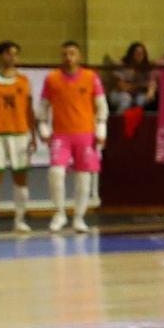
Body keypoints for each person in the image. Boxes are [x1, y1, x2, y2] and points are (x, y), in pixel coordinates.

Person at [40, 41, 106, 234]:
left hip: (85, 133)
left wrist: (101, 129)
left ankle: (79, 217)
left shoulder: (91, 77)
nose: (69, 58)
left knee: (84, 176)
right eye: (65, 54)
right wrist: (43, 127)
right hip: (61, 134)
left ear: (79, 56)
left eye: (73, 53)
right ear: (61, 57)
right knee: (56, 173)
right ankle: (60, 213)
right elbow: (43, 107)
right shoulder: (51, 79)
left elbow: (101, 105)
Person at [0, 40, 39, 234]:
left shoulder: (24, 80)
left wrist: (33, 135)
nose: (13, 57)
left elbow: (29, 109)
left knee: (21, 178)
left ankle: (20, 219)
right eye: (9, 53)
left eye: (16, 54)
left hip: (20, 133)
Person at [107, 41, 157, 112]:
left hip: (137, 95)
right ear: (131, 54)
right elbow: (123, 87)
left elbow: (152, 83)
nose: (139, 55)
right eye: (137, 53)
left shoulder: (146, 68)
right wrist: (142, 85)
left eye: (142, 53)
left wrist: (151, 91)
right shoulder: (122, 66)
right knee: (126, 99)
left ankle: (137, 122)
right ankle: (119, 121)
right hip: (118, 94)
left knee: (141, 100)